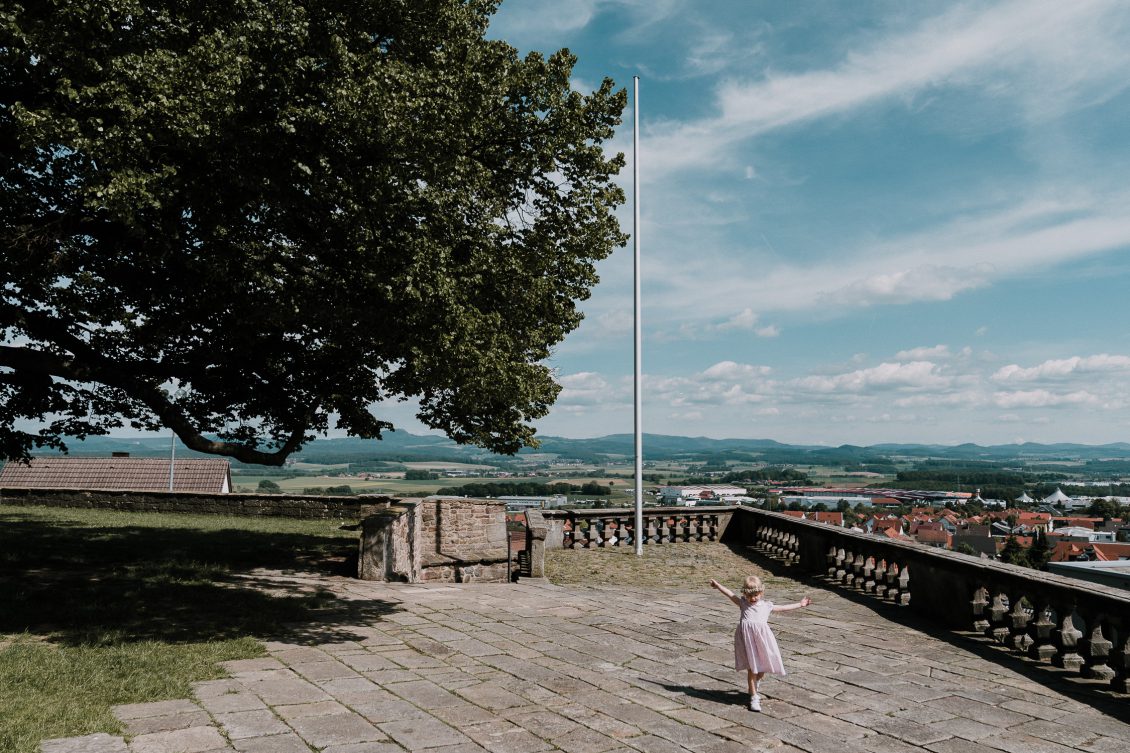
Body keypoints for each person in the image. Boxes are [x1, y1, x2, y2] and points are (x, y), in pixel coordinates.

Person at [709, 575, 811, 711]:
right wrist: (718, 586)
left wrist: (800, 604)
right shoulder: (743, 604)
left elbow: (783, 608)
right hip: (747, 641)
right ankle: (754, 697)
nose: (753, 598)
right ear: (745, 594)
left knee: (761, 669)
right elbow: (730, 594)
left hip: (762, 641)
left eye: (756, 595)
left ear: (761, 593)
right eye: (750, 595)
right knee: (752, 669)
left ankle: (756, 683)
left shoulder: (766, 606)